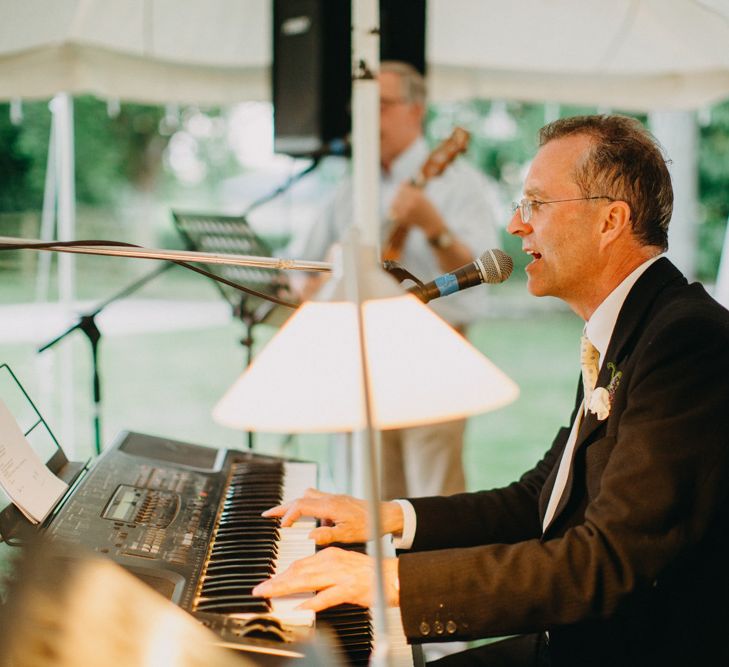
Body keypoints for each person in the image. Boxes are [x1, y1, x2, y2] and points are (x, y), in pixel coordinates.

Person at [254, 114, 729, 666]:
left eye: (534, 205)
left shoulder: (687, 342)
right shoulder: (632, 326)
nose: (514, 225)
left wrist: (392, 581)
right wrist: (388, 516)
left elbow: (608, 560)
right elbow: (540, 501)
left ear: (610, 221)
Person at [289, 60, 501, 500]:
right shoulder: (352, 186)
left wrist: (434, 227)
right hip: (363, 363)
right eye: (360, 108)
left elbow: (484, 275)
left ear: (415, 110)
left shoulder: (461, 185)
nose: (368, 119)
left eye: (380, 105)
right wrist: (314, 292)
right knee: (365, 501)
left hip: (436, 359)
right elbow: (302, 265)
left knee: (433, 500)